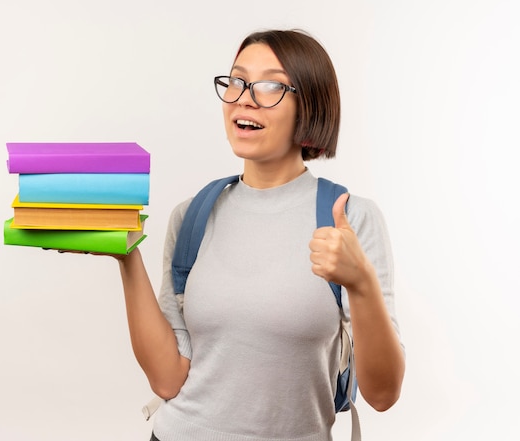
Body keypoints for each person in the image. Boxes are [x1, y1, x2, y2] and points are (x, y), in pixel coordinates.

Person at [116, 29, 405, 441]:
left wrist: (361, 284)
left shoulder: (351, 219)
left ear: (310, 105)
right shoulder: (193, 215)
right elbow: (167, 380)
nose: (244, 97)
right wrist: (126, 256)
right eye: (236, 81)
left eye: (270, 84)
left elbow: (383, 393)